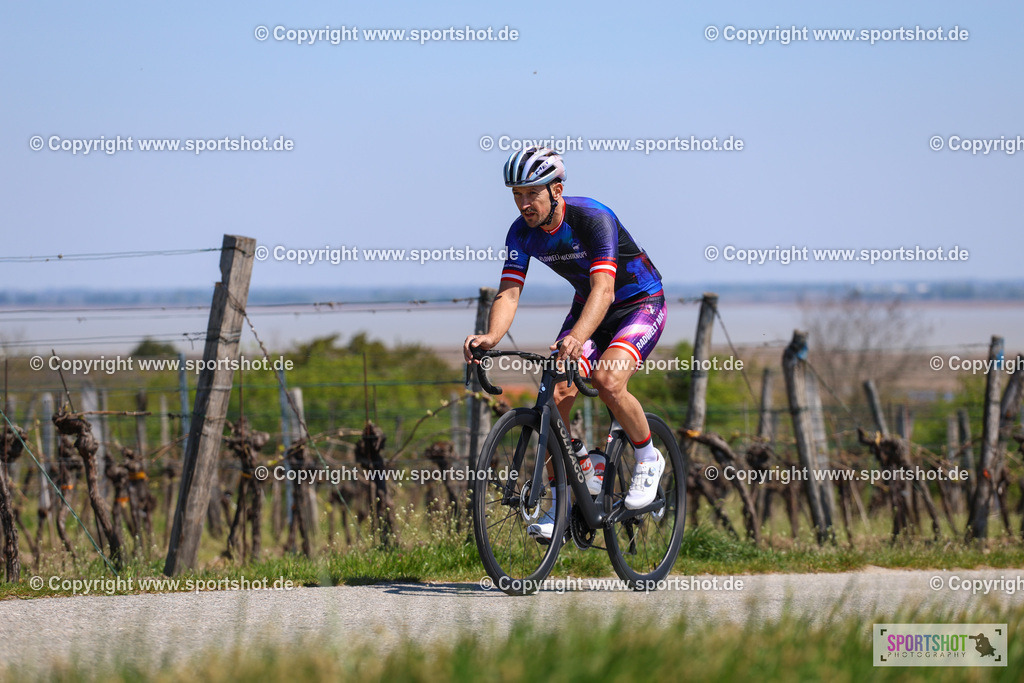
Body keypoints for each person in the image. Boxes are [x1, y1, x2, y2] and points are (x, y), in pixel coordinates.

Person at [463, 146, 668, 541]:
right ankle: (564, 500)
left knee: (609, 381)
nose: (524, 203)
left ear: (556, 189)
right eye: (516, 194)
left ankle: (647, 457)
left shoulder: (592, 218)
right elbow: (509, 292)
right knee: (555, 395)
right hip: (588, 306)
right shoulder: (521, 233)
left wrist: (577, 338)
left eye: (532, 193)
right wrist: (491, 336)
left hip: (637, 303)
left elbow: (605, 289)